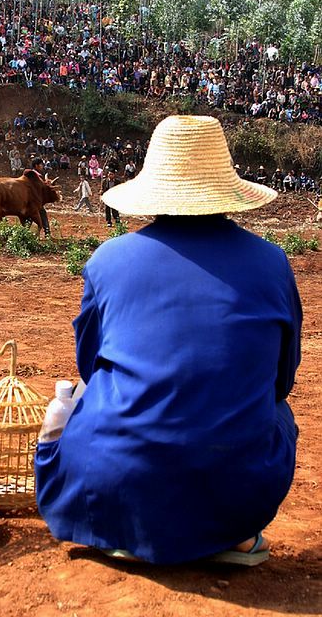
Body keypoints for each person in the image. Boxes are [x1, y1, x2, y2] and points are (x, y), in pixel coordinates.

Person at [36, 115, 302, 566]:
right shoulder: (272, 263)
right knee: (278, 412)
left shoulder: (108, 259)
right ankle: (233, 536)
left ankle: (109, 523)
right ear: (226, 190)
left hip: (112, 479)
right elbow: (280, 381)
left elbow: (89, 366)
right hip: (234, 489)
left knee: (73, 401)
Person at [30, 157, 52, 236]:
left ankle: (22, 233)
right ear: (36, 166)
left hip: (30, 200)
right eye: (41, 165)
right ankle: (47, 233)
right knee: (42, 214)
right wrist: (47, 185)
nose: (42, 166)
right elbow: (39, 187)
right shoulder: (36, 175)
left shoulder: (31, 174)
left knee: (30, 217)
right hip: (34, 200)